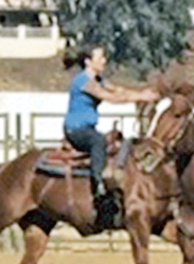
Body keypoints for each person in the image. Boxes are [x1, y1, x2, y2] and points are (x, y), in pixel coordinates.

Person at [62, 44, 156, 227]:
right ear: (88, 61)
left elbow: (118, 91)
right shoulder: (83, 81)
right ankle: (99, 185)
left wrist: (142, 93)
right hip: (76, 130)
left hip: (88, 128)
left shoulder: (98, 79)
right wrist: (140, 98)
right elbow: (111, 97)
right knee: (98, 141)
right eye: (100, 57)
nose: (104, 61)